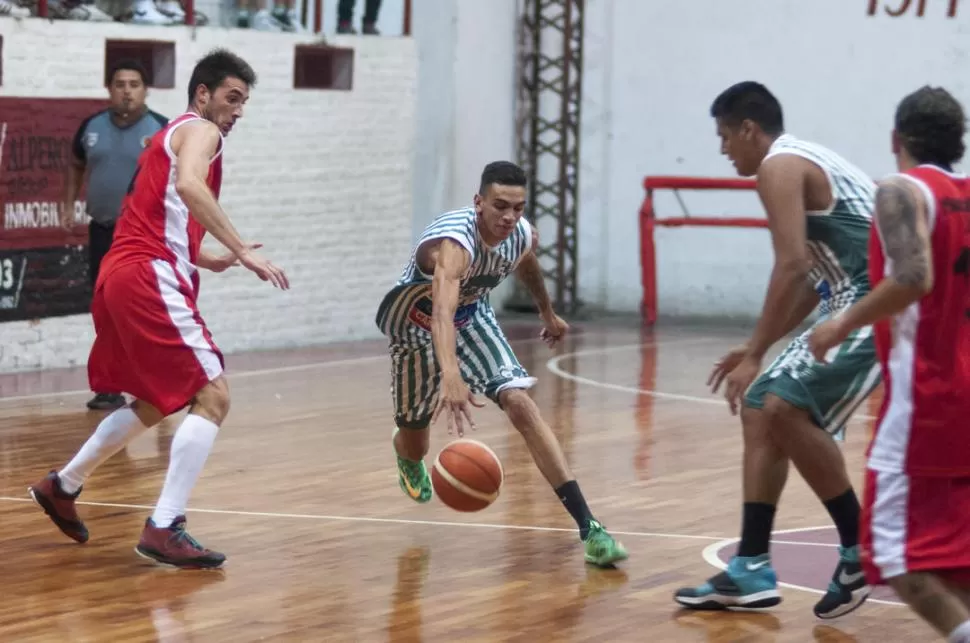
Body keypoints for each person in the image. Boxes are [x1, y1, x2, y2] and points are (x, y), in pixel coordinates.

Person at [28, 48, 289, 570]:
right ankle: (165, 525)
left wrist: (204, 257)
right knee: (213, 394)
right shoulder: (200, 131)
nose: (237, 111)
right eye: (231, 99)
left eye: (244, 103)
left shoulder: (163, 138)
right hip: (148, 275)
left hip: (122, 273)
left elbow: (158, 210)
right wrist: (240, 248)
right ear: (202, 95)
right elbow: (190, 187)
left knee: (155, 399)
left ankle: (63, 485)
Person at [674, 81, 881, 618]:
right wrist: (755, 345)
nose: (723, 151)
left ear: (749, 128)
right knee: (761, 408)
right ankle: (752, 567)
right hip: (848, 295)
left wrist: (756, 352)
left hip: (877, 302)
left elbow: (790, 266)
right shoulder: (802, 163)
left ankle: (859, 553)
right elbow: (813, 280)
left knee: (783, 404)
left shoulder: (779, 166)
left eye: (724, 137)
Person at [375, 161, 627, 567]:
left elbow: (523, 260)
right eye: (499, 206)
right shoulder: (455, 244)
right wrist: (451, 375)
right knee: (414, 433)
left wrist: (547, 312)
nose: (509, 217)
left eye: (518, 207)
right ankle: (406, 454)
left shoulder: (519, 233)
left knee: (521, 403)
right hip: (417, 327)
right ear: (478, 203)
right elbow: (441, 311)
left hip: (472, 317)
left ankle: (590, 528)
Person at [809, 86, 970, 643]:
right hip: (965, 394)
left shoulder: (901, 190)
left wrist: (838, 322)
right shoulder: (966, 196)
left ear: (896, 139)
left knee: (889, 553)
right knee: (957, 561)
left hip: (926, 397)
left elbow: (914, 276)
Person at [65, 59, 169, 411]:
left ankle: (156, 382)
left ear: (145, 90)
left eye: (134, 84)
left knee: (145, 309)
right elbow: (77, 163)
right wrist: (68, 204)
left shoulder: (161, 130)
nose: (127, 90)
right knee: (106, 309)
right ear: (109, 89)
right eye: (120, 84)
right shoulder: (91, 126)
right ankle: (110, 387)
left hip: (144, 237)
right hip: (102, 231)